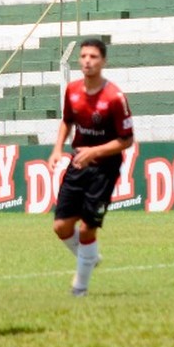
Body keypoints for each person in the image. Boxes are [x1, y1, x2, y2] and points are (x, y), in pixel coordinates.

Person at [48, 39, 134, 297]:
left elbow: (126, 140)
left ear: (103, 61)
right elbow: (67, 121)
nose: (87, 60)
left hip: (104, 168)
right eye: (84, 55)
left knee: (87, 227)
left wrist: (94, 152)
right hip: (77, 164)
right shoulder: (72, 90)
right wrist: (56, 149)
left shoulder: (115, 97)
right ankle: (89, 257)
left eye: (93, 56)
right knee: (61, 227)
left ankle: (79, 288)